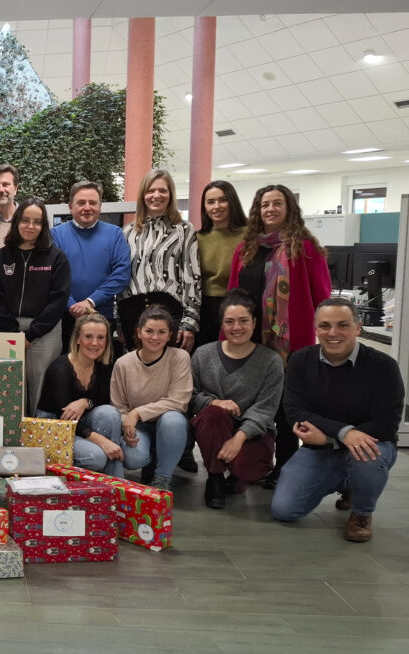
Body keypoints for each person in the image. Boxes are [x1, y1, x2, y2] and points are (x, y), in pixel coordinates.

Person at [271, 298, 404, 543]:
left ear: (358, 328)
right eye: (325, 326)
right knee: (284, 510)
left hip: (368, 446)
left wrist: (334, 438)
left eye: (342, 325)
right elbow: (296, 412)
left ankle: (362, 512)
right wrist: (342, 433)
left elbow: (386, 424)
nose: (333, 333)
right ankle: (346, 481)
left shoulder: (384, 366)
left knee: (364, 454)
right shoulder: (300, 360)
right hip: (320, 448)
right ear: (316, 329)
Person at [229, 183, 330, 487]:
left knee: (287, 410)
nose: (270, 209)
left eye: (277, 203)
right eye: (264, 205)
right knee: (249, 404)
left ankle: (283, 468)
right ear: (257, 211)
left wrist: (324, 335)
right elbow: (233, 294)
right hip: (249, 342)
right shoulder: (247, 247)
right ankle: (244, 466)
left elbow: (323, 296)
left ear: (289, 209)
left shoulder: (306, 247)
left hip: (292, 345)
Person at [190, 290, 284, 509]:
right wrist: (213, 403)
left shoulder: (271, 361)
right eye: (229, 321)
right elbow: (190, 397)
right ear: (222, 325)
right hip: (213, 427)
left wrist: (239, 438)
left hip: (253, 432)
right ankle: (214, 478)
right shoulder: (203, 355)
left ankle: (237, 478)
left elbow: (265, 409)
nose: (237, 327)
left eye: (243, 321)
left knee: (250, 468)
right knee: (213, 414)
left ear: (254, 322)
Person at [0, 197, 71, 416]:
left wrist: (31, 334)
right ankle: (8, 437)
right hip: (5, 331)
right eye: (25, 220)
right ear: (16, 222)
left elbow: (58, 299)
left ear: (44, 226)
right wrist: (13, 334)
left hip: (44, 333)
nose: (30, 226)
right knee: (5, 388)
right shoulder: (0, 257)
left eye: (37, 221)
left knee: (41, 387)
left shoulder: (56, 258)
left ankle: (35, 439)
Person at [117, 168, 201, 352]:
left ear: (170, 194)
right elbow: (121, 278)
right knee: (136, 373)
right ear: (143, 195)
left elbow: (192, 277)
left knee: (168, 373)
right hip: (131, 313)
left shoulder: (184, 230)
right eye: (151, 190)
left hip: (170, 313)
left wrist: (190, 322)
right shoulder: (127, 232)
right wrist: (119, 322)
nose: (157, 195)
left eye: (163, 190)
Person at [36, 313, 129, 478]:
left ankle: (115, 484)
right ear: (77, 339)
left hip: (82, 422)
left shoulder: (104, 365)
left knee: (109, 412)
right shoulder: (60, 369)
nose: (95, 343)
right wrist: (102, 441)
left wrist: (86, 402)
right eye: (88, 337)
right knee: (97, 456)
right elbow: (64, 416)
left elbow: (104, 398)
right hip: (57, 425)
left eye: (101, 337)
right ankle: (106, 484)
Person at [110, 306, 192, 491]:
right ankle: (151, 457)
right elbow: (119, 406)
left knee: (173, 420)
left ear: (170, 334)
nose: (155, 337)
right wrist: (127, 425)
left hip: (170, 425)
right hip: (140, 426)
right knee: (133, 459)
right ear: (139, 332)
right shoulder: (123, 363)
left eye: (162, 332)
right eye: (149, 331)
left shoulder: (179, 357)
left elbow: (178, 401)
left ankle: (162, 478)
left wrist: (138, 412)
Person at [50, 180, 131, 352]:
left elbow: (121, 274)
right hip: (65, 317)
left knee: (102, 371)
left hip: (102, 316)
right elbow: (52, 276)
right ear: (70, 206)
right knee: (67, 368)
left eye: (93, 203)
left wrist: (90, 301)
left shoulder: (115, 234)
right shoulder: (55, 235)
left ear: (100, 205)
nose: (87, 207)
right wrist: (72, 305)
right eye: (81, 203)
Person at [195, 180, 247, 349]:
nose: (216, 206)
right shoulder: (197, 238)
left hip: (238, 306)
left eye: (222, 200)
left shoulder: (250, 235)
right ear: (204, 208)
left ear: (232, 201)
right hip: (205, 308)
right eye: (210, 202)